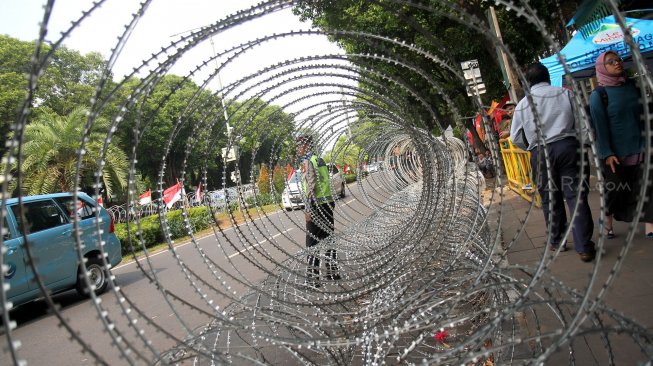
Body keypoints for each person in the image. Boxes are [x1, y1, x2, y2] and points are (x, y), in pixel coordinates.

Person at [510, 62, 596, 262]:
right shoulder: (565, 93)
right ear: (548, 76)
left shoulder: (523, 104)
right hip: (568, 147)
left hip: (540, 152)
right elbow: (582, 123)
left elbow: (515, 137)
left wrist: (531, 147)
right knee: (576, 197)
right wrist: (582, 145)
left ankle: (557, 241)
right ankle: (584, 247)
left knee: (550, 198)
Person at [589, 50, 653, 238]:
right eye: (611, 62)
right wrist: (607, 153)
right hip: (615, 154)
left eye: (618, 60)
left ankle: (650, 224)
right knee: (615, 189)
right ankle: (607, 216)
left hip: (641, 147)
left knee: (648, 185)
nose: (617, 63)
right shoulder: (599, 95)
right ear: (602, 67)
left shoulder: (633, 86)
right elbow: (600, 128)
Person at [296, 135, 339, 288]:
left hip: (316, 206)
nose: (298, 149)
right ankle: (332, 272)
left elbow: (311, 184)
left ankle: (313, 278)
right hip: (327, 204)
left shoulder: (308, 161)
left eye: (299, 145)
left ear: (306, 145)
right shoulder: (319, 159)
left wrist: (308, 208)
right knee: (328, 239)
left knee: (312, 242)